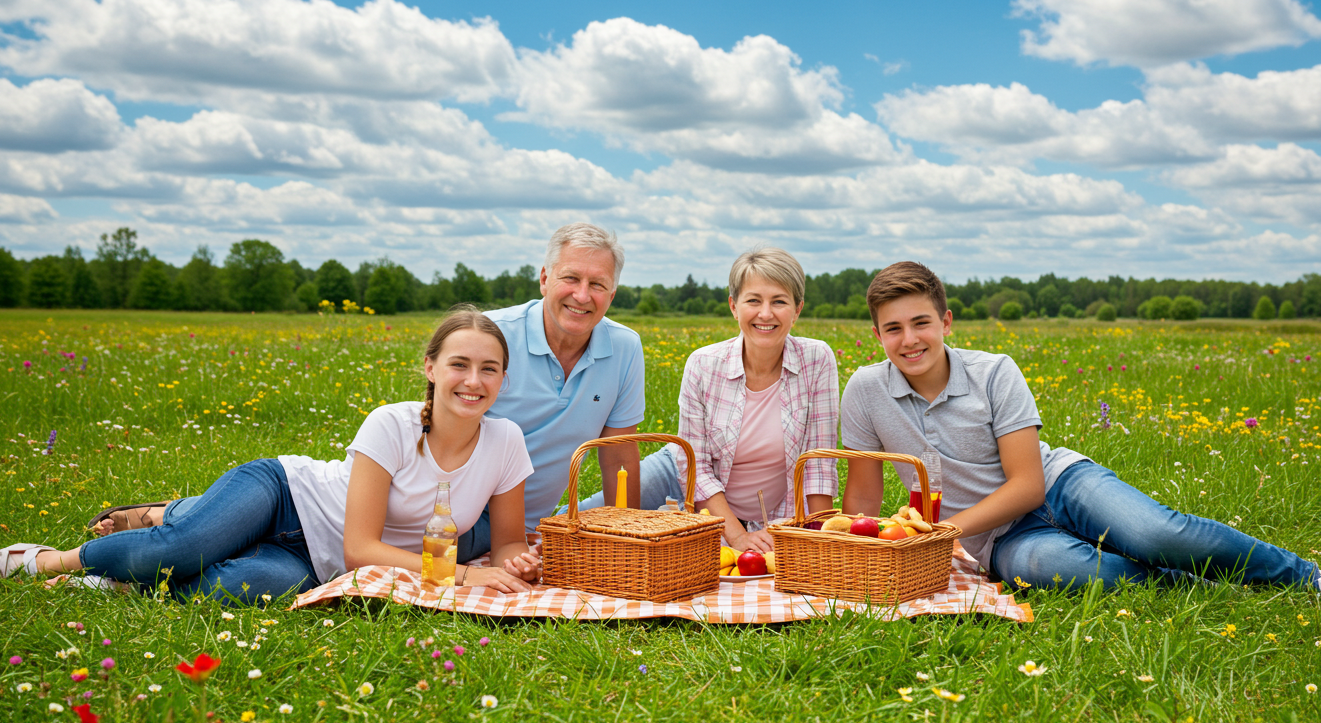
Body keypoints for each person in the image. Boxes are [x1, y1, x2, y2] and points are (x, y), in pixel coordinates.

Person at [88, 222, 648, 565]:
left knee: (249, 575)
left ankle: (195, 529)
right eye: (571, 278)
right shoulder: (491, 340)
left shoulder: (623, 350)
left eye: (597, 284)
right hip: (428, 510)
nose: (582, 294)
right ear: (544, 278)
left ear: (613, 293)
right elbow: (443, 421)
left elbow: (619, 454)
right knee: (204, 540)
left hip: (504, 526)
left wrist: (624, 538)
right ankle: (176, 517)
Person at [839, 261, 1321, 604]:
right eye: (893, 329)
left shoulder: (993, 371)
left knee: (1159, 535)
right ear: (877, 334)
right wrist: (858, 545)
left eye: (920, 323)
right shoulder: (865, 391)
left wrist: (942, 531)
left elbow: (1028, 485)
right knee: (1068, 573)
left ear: (946, 322)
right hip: (1000, 541)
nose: (909, 340)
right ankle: (1198, 585)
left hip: (1058, 486)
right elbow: (863, 495)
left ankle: (1311, 579)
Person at [3, 307, 541, 603]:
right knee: (175, 549)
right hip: (285, 497)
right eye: (459, 364)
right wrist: (463, 576)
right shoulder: (392, 424)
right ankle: (51, 559)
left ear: (503, 378)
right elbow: (360, 549)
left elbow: (510, 538)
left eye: (489, 368)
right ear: (430, 367)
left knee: (230, 591)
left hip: (311, 561)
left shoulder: (506, 442)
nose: (473, 381)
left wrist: (514, 560)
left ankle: (117, 578)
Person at [581, 247, 837, 553]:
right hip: (679, 474)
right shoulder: (703, 364)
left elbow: (818, 465)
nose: (765, 313)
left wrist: (816, 538)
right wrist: (738, 538)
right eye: (753, 300)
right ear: (733, 306)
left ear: (797, 310)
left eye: (779, 301)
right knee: (585, 522)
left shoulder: (816, 360)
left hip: (772, 510)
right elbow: (694, 467)